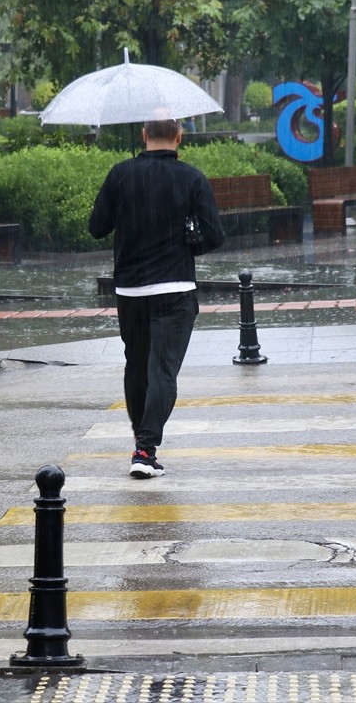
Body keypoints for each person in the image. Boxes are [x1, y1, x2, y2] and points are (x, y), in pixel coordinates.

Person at [88, 117, 225, 478]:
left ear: (144, 135)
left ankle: (140, 443)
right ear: (179, 137)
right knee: (162, 369)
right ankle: (145, 450)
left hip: (130, 290)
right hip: (174, 289)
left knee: (136, 365)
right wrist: (188, 240)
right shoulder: (192, 178)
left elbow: (96, 227)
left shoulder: (120, 174)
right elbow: (214, 236)